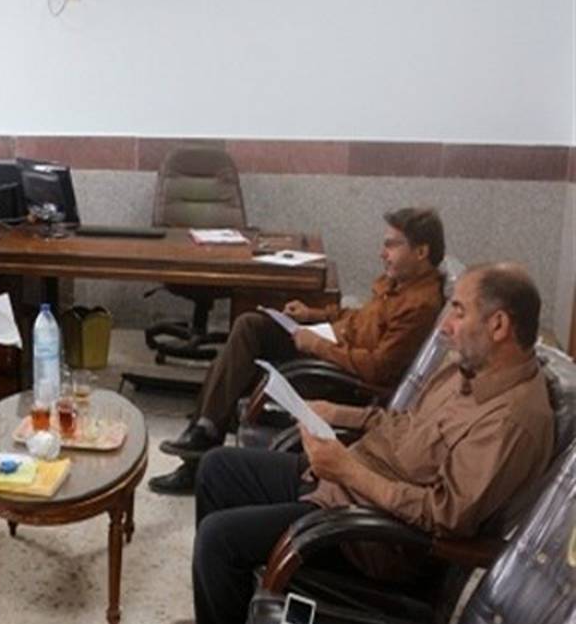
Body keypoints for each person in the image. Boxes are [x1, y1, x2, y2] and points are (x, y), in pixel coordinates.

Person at [163, 264, 554, 624]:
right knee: (218, 468)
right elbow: (401, 422)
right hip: (350, 483)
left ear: (498, 325)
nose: (445, 326)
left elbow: (445, 516)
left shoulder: (514, 421)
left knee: (221, 537)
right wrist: (335, 414)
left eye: (459, 311)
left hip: (375, 541)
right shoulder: (466, 370)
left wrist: (348, 471)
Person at [149, 207, 448, 495]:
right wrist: (312, 314)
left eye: (392, 245)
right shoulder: (397, 283)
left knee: (242, 352)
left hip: (342, 379)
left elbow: (377, 368)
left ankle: (202, 440)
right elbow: (358, 319)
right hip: (331, 348)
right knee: (246, 333)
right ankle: (204, 433)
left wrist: (316, 344)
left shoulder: (419, 305)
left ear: (421, 252)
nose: (382, 253)